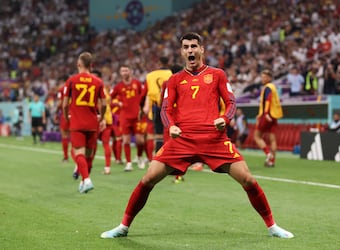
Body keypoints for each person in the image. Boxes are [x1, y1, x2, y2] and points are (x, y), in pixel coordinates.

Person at [101, 32, 293, 239]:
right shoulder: (173, 80)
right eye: (186, 47)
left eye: (194, 46)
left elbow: (231, 102)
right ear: (182, 52)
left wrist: (225, 119)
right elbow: (165, 109)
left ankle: (272, 226)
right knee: (148, 179)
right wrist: (171, 126)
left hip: (213, 139)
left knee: (247, 179)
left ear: (202, 49)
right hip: (182, 140)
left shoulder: (218, 74)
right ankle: (123, 226)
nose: (190, 50)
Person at [63, 52, 106, 193]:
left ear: (79, 64)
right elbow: (104, 104)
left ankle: (86, 180)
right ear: (91, 65)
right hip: (92, 122)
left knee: (79, 153)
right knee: (88, 155)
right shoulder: (98, 82)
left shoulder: (72, 80)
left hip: (77, 122)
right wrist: (102, 117)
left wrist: (66, 116)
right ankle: (83, 182)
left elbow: (64, 105)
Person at [110, 65, 146, 171]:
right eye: (122, 71)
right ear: (120, 73)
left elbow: (144, 96)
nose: (124, 72)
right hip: (124, 117)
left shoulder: (137, 84)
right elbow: (110, 99)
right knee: (126, 140)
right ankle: (129, 163)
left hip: (137, 116)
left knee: (140, 141)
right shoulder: (118, 86)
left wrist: (143, 109)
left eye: (126, 70)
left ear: (130, 71)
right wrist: (117, 103)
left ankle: (139, 157)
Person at [143, 56, 173, 155]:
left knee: (158, 134)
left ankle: (159, 155)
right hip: (170, 106)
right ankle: (171, 154)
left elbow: (146, 93)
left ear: (159, 63)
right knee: (170, 131)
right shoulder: (172, 74)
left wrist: (144, 107)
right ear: (168, 63)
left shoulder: (150, 75)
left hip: (156, 107)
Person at [254, 69, 283, 167]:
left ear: (270, 78)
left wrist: (265, 113)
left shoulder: (267, 88)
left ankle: (268, 154)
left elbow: (268, 100)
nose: (262, 79)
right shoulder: (274, 87)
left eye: (265, 77)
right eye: (262, 77)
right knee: (273, 140)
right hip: (274, 116)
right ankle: (272, 161)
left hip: (267, 115)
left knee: (257, 136)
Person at [56, 76, 71, 162]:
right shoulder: (74, 88)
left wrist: (56, 112)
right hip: (75, 114)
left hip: (65, 114)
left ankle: (66, 157)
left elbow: (60, 103)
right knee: (74, 136)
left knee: (64, 135)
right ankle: (77, 157)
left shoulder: (62, 89)